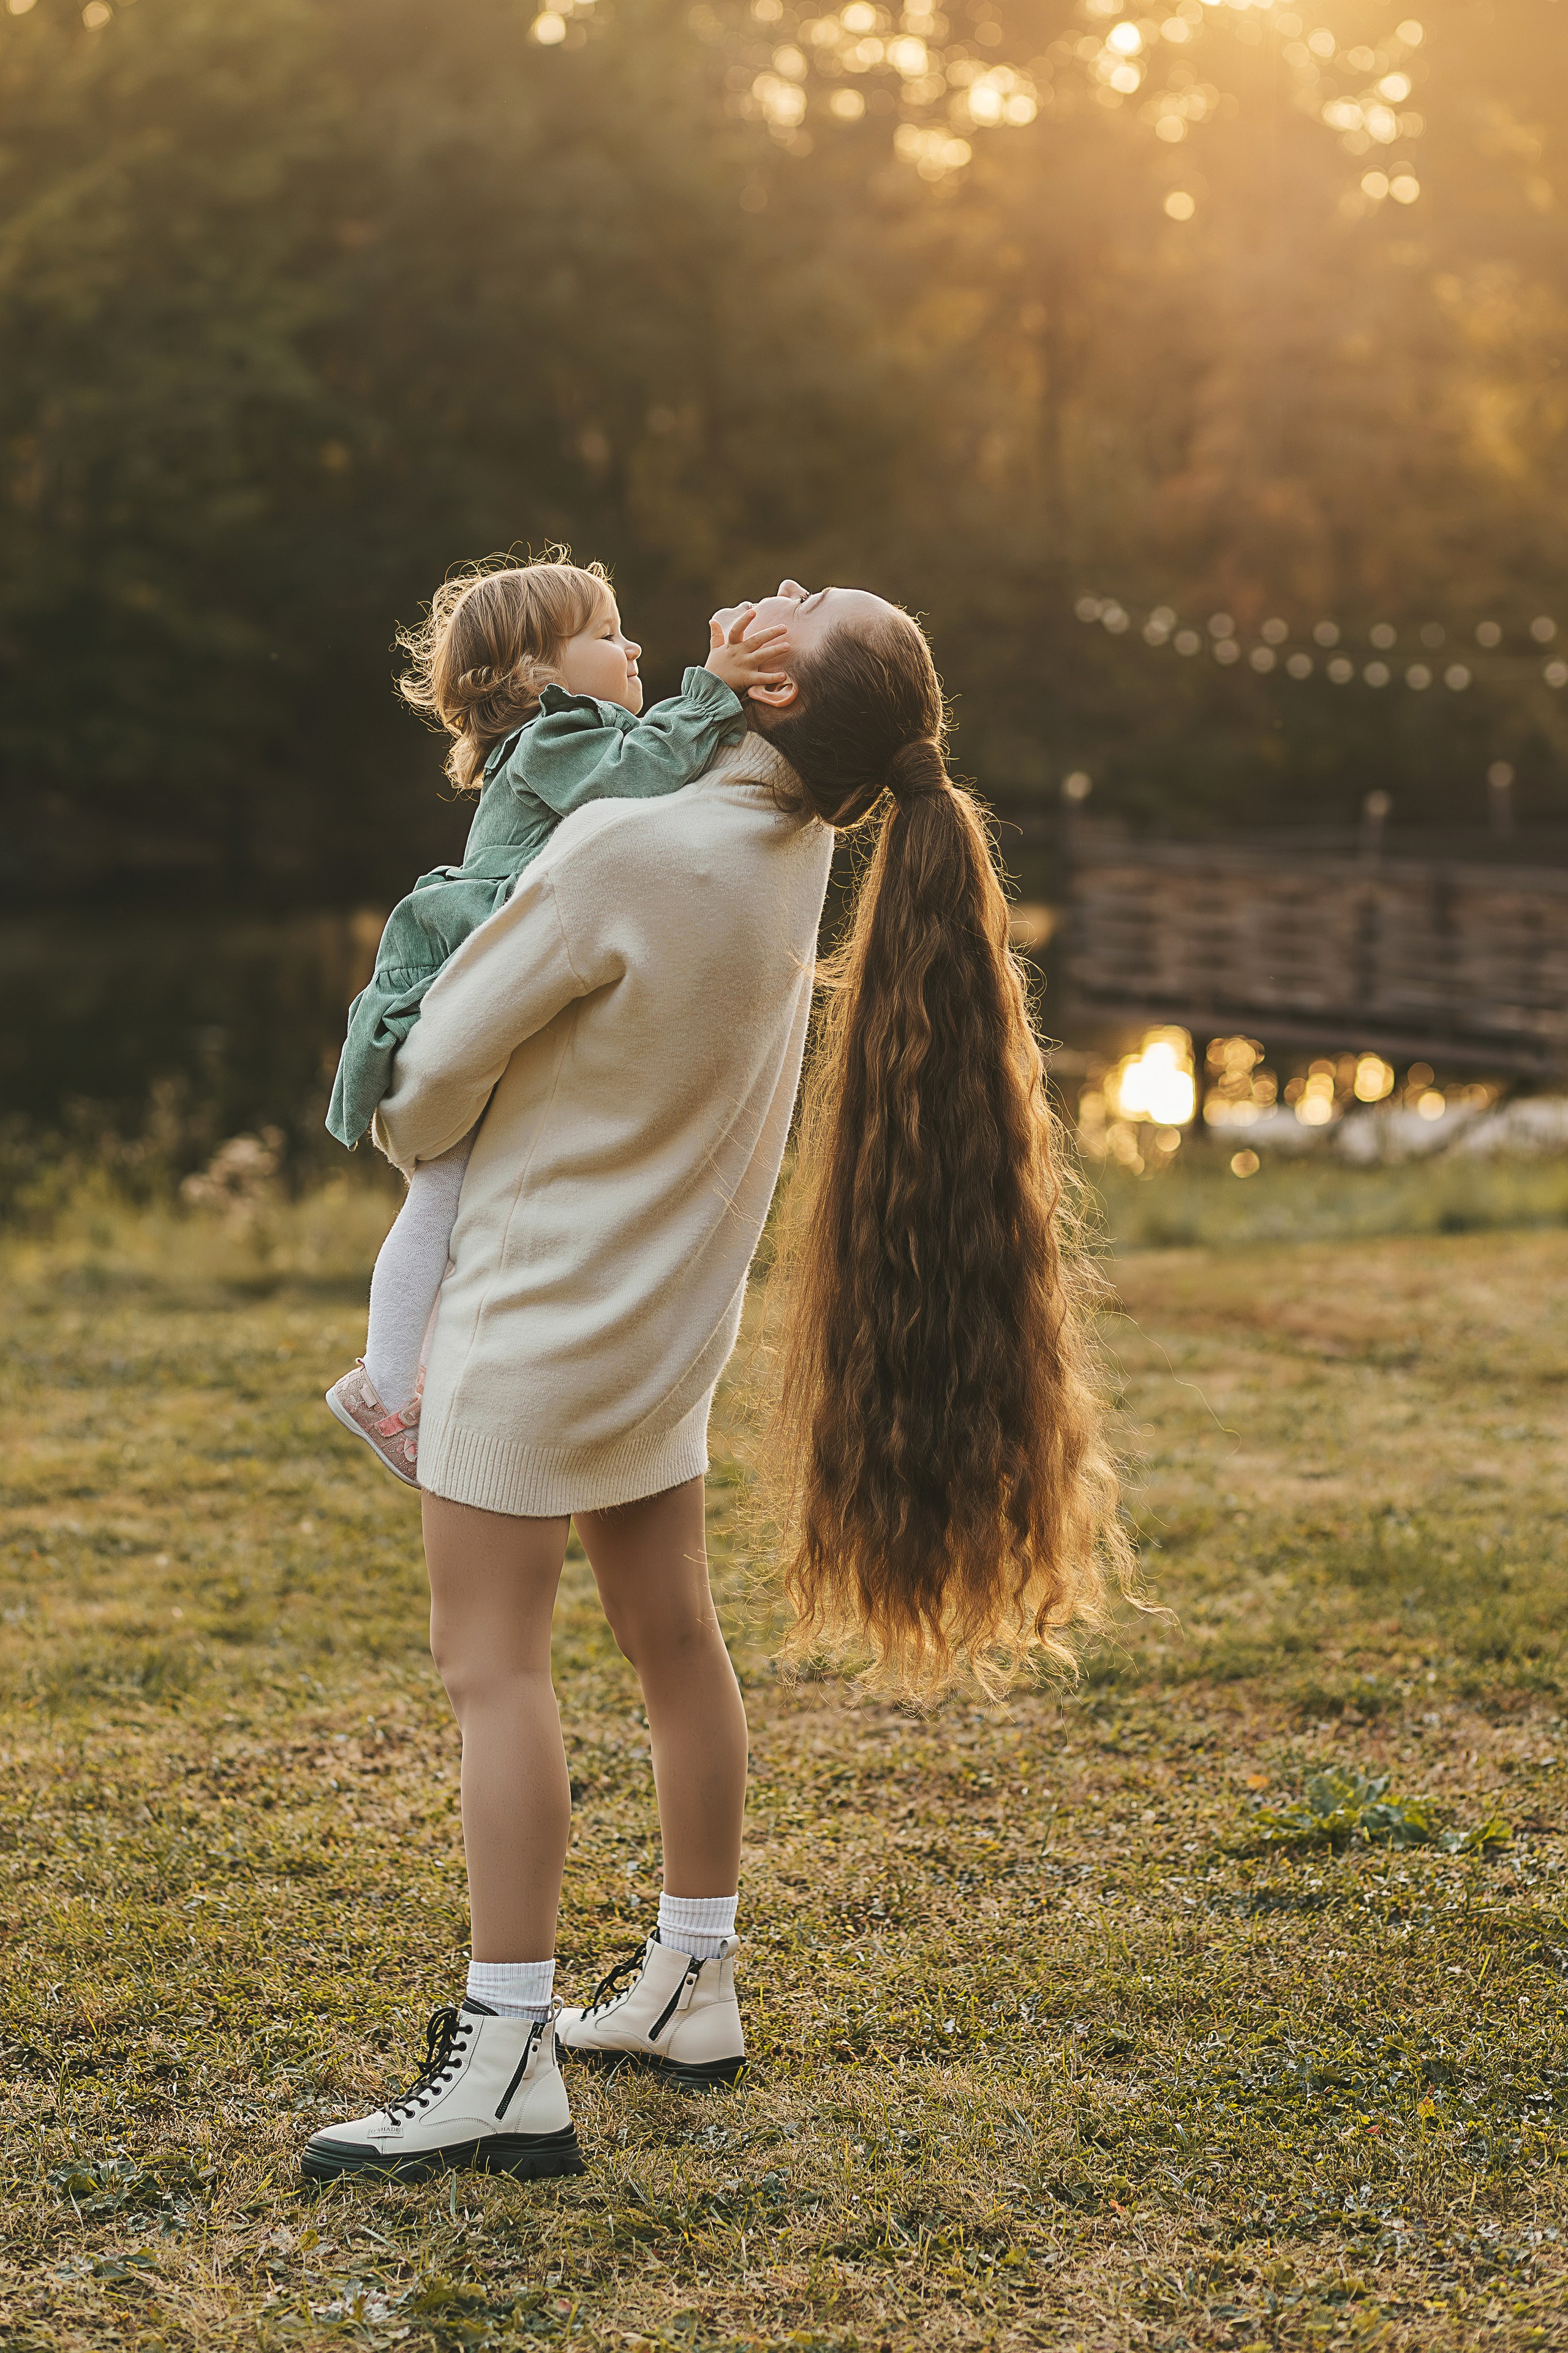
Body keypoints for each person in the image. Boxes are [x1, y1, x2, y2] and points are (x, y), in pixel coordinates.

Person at [300, 582, 1127, 2186]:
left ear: (772, 697)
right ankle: (692, 1976)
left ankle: (505, 2052)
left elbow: (416, 1102)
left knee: (492, 1670)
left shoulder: (621, 851)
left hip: (534, 1327)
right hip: (663, 1331)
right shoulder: (798, 845)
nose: (774, 592)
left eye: (801, 608)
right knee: (673, 1639)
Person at [322, 554, 786, 1482]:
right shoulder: (554, 739)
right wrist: (714, 689)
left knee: (460, 1195)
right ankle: (384, 1386)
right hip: (469, 967)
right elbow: (645, 772)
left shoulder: (569, 738)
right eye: (608, 634)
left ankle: (409, 1374)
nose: (633, 646)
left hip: (505, 975)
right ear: (534, 673)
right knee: (441, 1191)